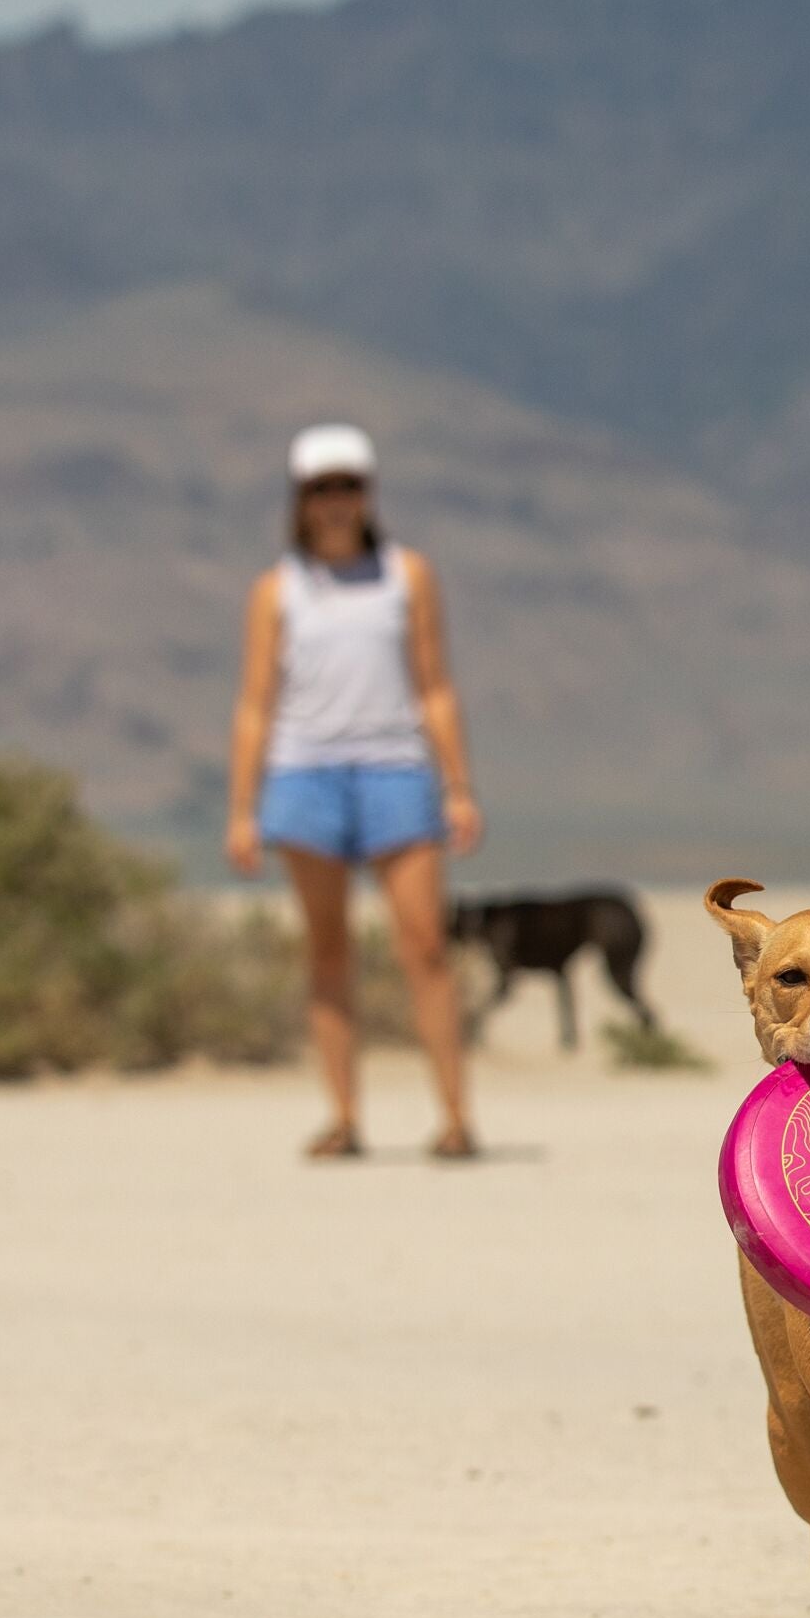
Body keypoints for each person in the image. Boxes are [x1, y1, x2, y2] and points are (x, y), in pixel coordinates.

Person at [226, 422, 484, 1159]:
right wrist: (243, 810)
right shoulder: (277, 591)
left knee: (425, 946)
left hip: (396, 773)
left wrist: (458, 786)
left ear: (366, 494)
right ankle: (344, 1116)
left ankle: (456, 1117)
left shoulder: (408, 575)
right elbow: (254, 704)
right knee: (327, 950)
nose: (336, 502)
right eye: (321, 489)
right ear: (301, 500)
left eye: (348, 487)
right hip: (304, 776)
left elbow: (434, 686)